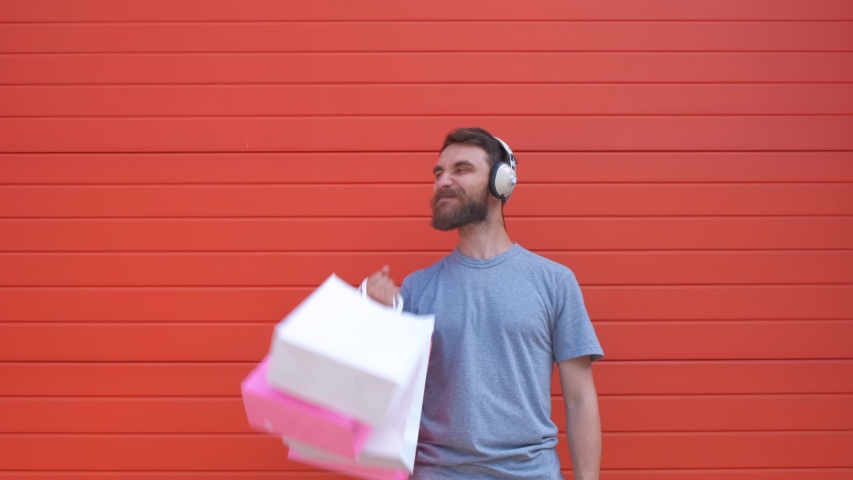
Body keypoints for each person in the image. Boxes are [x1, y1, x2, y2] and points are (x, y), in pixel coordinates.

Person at [365, 127, 604, 480]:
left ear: (501, 182)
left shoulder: (554, 282)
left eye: (461, 170)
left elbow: (580, 399)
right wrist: (376, 318)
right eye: (438, 172)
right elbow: (383, 397)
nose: (444, 181)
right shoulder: (417, 289)